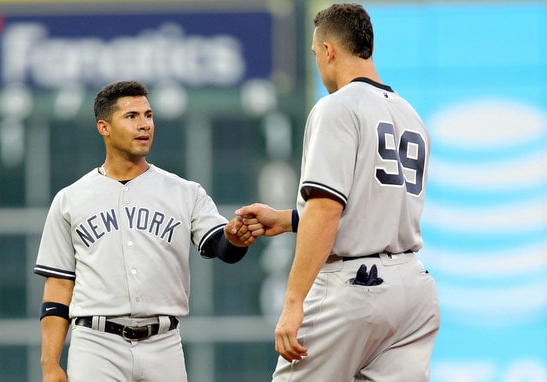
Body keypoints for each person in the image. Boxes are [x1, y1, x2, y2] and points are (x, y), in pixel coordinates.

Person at [235, 4, 440, 381]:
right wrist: (286, 220)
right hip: (414, 289)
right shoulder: (411, 115)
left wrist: (294, 301)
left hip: (356, 285)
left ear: (329, 51)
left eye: (316, 54)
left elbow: (327, 208)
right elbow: (369, 207)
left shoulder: (337, 108)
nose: (317, 62)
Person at [33, 80, 255, 382]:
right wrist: (49, 363)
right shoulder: (71, 199)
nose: (144, 125)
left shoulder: (183, 192)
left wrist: (234, 237)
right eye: (131, 116)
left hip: (163, 342)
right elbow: (58, 287)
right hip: (96, 345)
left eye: (148, 116)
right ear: (104, 127)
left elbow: (220, 247)